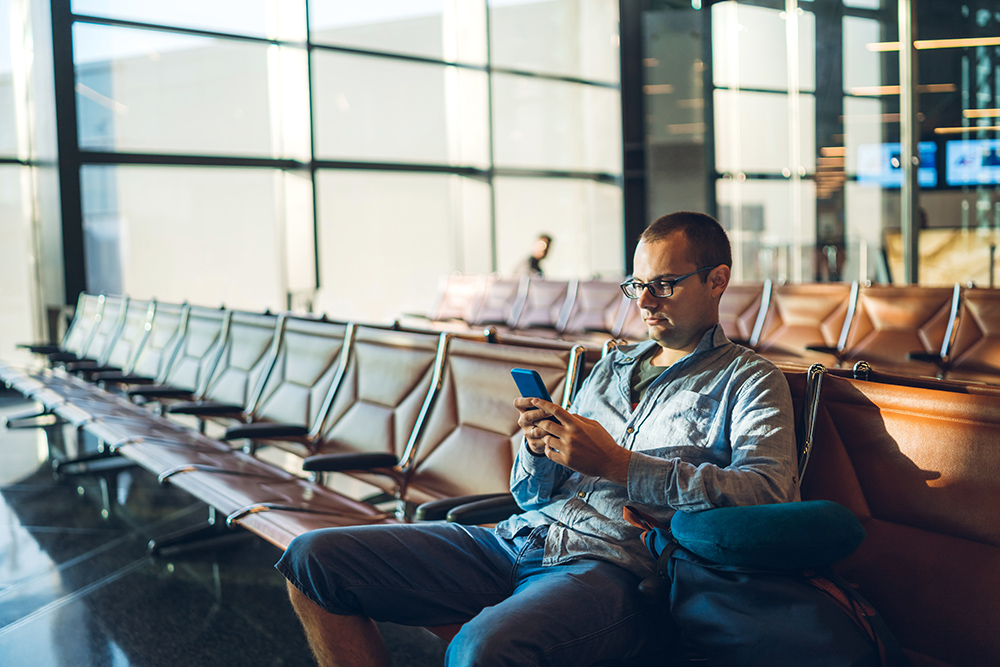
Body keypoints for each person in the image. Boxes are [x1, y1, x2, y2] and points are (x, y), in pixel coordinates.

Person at [275, 211, 800, 667]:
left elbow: (770, 492)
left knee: (481, 652)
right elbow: (530, 495)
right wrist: (538, 449)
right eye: (635, 285)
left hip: (613, 568)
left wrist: (621, 465)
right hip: (517, 537)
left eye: (663, 284)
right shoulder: (611, 368)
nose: (644, 300)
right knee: (311, 560)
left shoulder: (749, 380)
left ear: (717, 281)